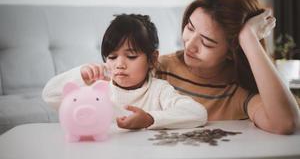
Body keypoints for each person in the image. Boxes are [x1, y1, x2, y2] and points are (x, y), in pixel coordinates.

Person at [62, 0, 299, 135]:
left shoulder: (238, 93)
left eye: (207, 42)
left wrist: (249, 38)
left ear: (231, 50)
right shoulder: (157, 68)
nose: (190, 44)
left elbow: (285, 124)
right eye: (189, 27)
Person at [43, 14, 207, 130]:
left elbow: (198, 113)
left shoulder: (159, 91)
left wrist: (150, 119)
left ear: (152, 59)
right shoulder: (98, 88)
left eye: (131, 56)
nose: (119, 65)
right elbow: (50, 96)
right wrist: (81, 75)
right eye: (112, 56)